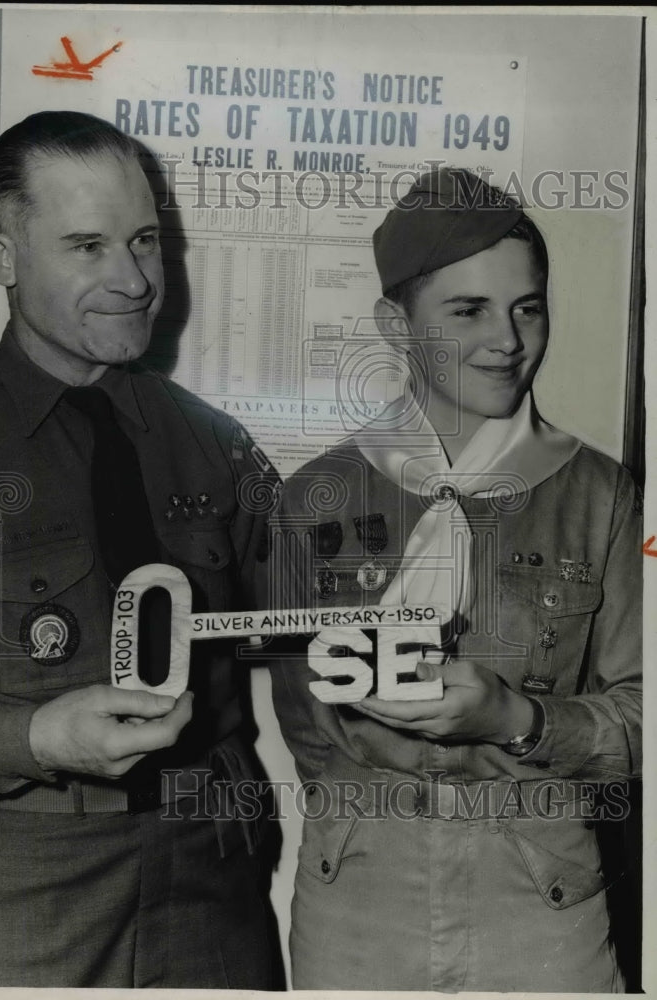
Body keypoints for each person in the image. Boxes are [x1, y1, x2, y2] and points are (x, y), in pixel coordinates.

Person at [0, 110, 279, 988]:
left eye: (143, 240)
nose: (136, 279)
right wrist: (32, 737)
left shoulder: (213, 443)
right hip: (14, 891)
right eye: (87, 246)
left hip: (210, 880)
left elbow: (305, 635)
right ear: (0, 261)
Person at [270, 167, 642, 992]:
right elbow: (302, 721)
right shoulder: (312, 498)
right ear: (395, 326)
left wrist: (519, 718)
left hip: (542, 876)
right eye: (468, 310)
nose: (507, 340)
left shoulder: (603, 498)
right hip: (358, 886)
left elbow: (644, 718)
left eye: (527, 306)